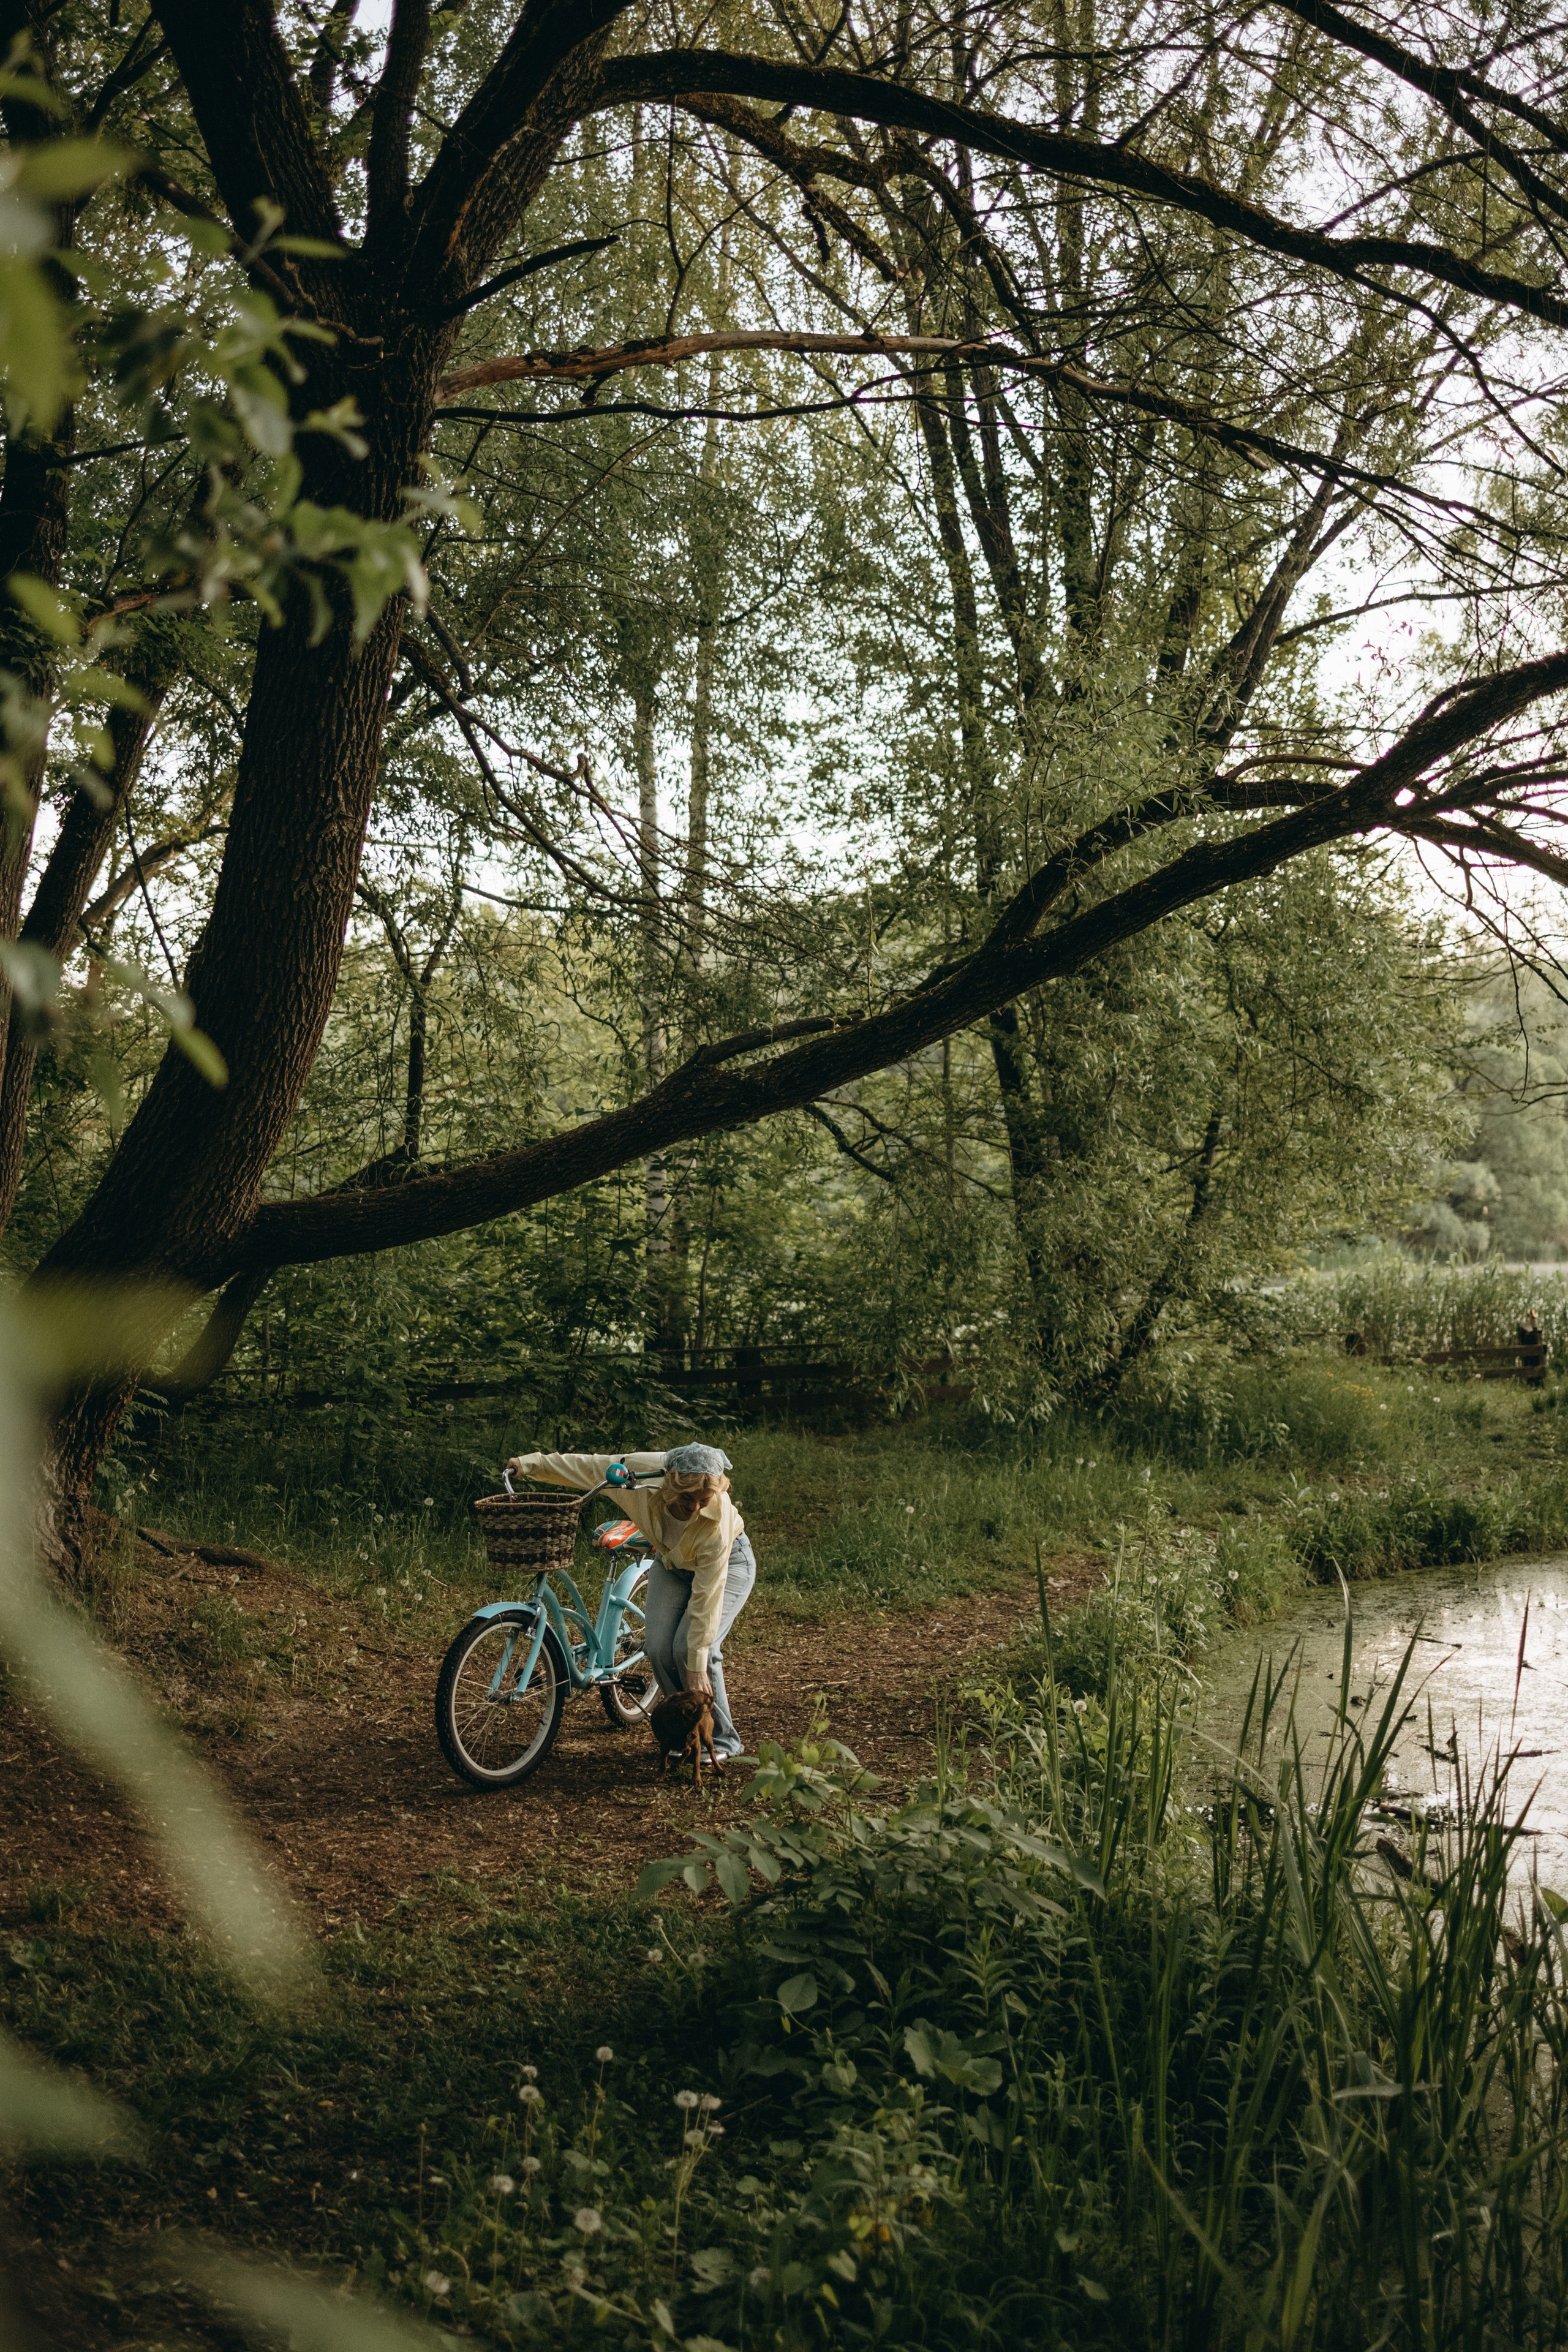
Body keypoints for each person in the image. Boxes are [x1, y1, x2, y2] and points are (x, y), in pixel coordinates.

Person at [502, 1441, 754, 1760]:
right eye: (686, 1498)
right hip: (672, 1563)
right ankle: (685, 1732)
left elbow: (707, 1598)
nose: (693, 1508)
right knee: (660, 1647)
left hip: (729, 1564)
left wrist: (696, 1666)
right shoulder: (639, 1474)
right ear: (668, 1483)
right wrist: (532, 1464)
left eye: (703, 1500)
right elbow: (588, 1466)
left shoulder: (716, 1520)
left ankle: (722, 1740)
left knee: (693, 1651)